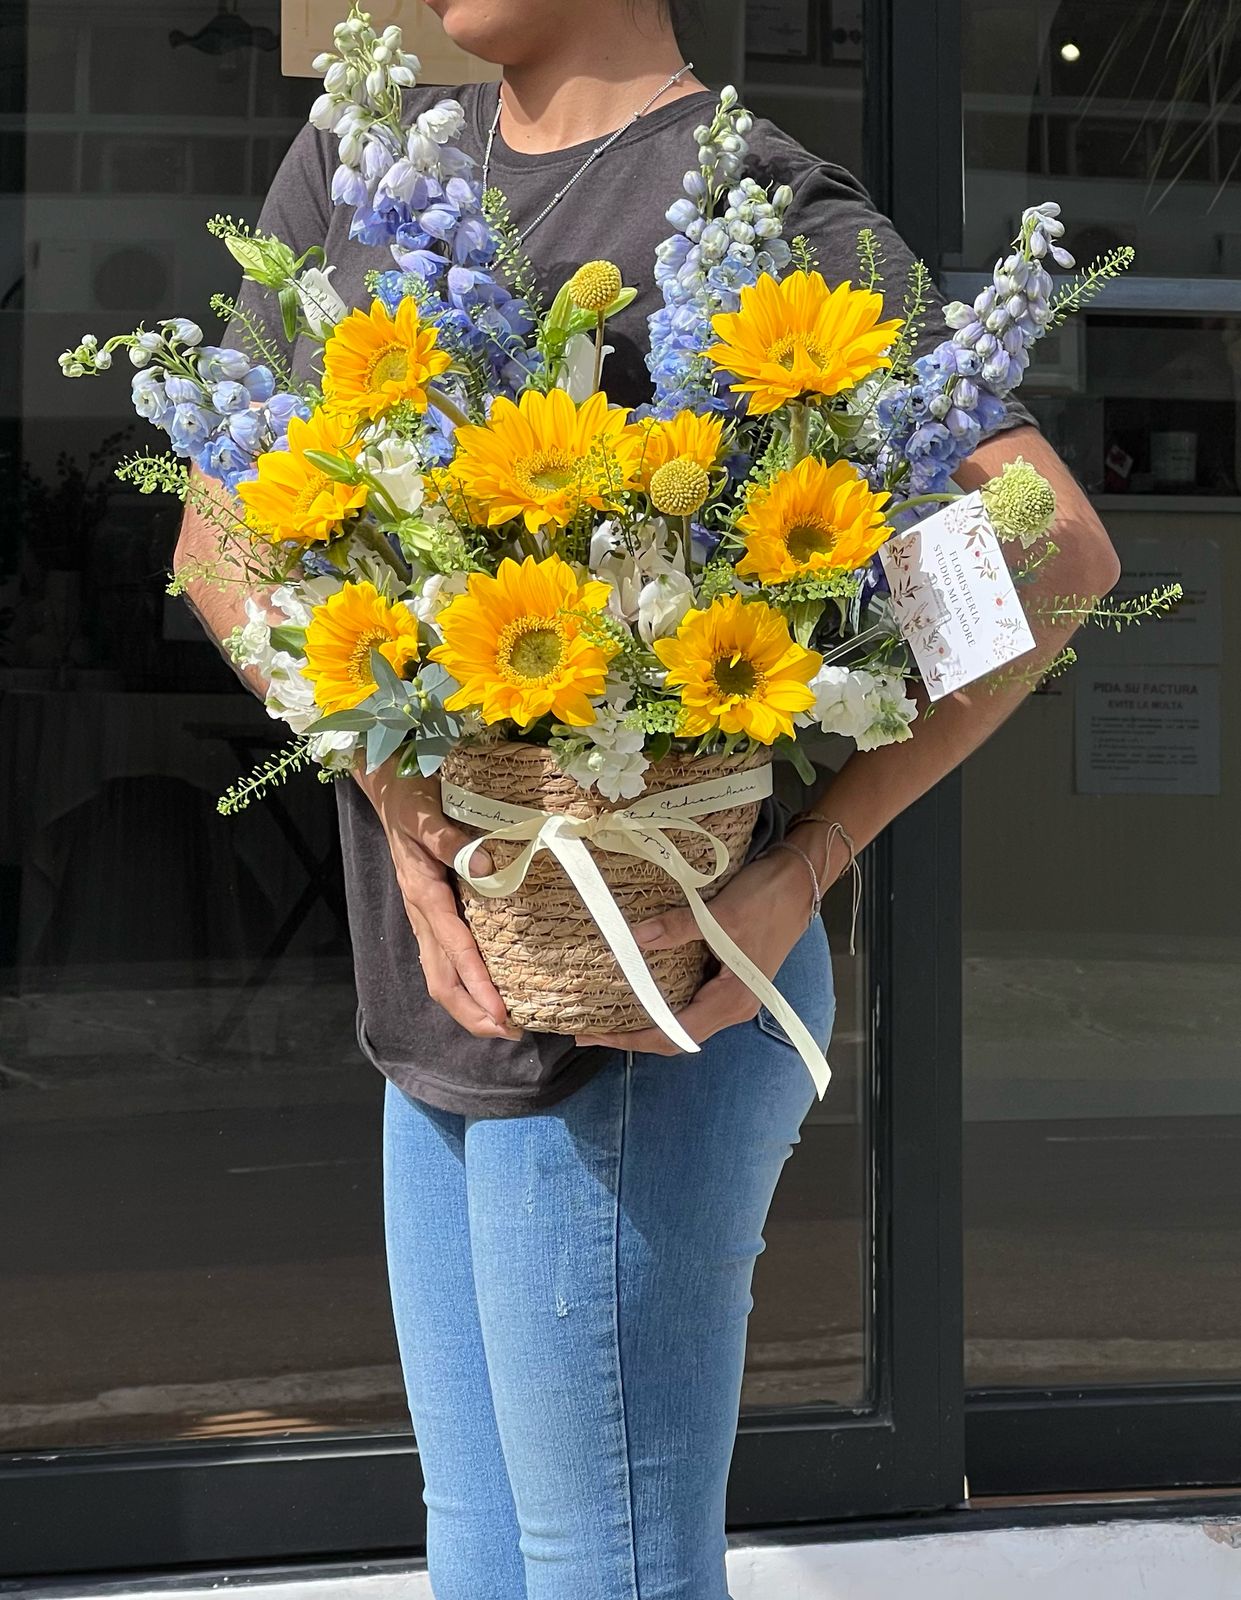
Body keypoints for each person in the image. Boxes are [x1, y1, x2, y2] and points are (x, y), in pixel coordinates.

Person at [174, 0, 1120, 1593]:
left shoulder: (760, 202)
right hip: (442, 984)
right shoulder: (360, 161)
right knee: (479, 1556)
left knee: (607, 1567)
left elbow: (1050, 559)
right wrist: (398, 797)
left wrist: (802, 863)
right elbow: (219, 535)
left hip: (652, 999)